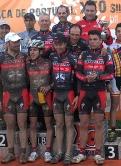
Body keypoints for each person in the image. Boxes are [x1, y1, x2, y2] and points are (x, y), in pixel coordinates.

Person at [72, 30, 114, 165]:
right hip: (85, 92)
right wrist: (86, 79)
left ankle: (98, 153)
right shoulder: (83, 54)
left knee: (99, 124)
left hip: (99, 92)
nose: (92, 41)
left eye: (95, 39)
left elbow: (111, 74)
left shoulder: (106, 55)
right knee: (83, 124)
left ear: (100, 40)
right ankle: (82, 152)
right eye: (90, 39)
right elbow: (77, 72)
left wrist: (97, 77)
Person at [0, 33, 29, 164]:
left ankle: (24, 154)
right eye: (14, 42)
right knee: (10, 125)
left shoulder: (25, 57)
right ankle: (11, 153)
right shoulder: (0, 59)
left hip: (22, 93)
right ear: (7, 43)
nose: (17, 44)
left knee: (23, 124)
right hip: (8, 94)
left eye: (18, 42)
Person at [49, 33, 78, 165]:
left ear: (65, 44)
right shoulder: (51, 56)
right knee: (59, 124)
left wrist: (77, 95)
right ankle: (59, 152)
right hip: (56, 94)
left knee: (68, 124)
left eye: (60, 44)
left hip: (69, 93)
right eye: (56, 44)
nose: (58, 46)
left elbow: (78, 78)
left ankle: (68, 154)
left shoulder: (72, 58)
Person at [25, 39, 53, 163]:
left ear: (41, 51)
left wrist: (48, 87)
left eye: (35, 50)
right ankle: (34, 150)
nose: (32, 52)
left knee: (48, 125)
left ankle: (47, 151)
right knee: (32, 125)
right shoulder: (27, 63)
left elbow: (55, 80)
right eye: (31, 50)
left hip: (46, 97)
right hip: (32, 97)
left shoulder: (48, 63)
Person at [31, 13, 55, 131]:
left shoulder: (54, 36)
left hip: (52, 70)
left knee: (51, 100)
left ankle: (51, 124)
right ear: (38, 22)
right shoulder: (34, 36)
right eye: (42, 20)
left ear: (50, 22)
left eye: (47, 20)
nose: (45, 22)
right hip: (38, 72)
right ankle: (41, 123)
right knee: (38, 97)